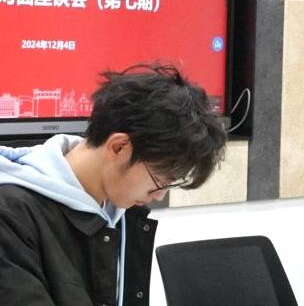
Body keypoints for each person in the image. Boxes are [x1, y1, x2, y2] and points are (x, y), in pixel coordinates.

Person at [0, 63, 227, 306]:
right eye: (160, 180)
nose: (159, 196)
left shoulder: (122, 211)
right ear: (119, 147)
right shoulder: (11, 214)